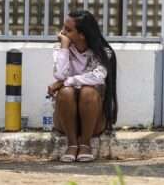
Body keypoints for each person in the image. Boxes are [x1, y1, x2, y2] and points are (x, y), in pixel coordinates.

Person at [47, 10, 118, 162]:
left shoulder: (104, 53)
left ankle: (85, 144)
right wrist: (64, 48)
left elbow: (97, 77)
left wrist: (66, 82)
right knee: (66, 93)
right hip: (64, 122)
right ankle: (72, 145)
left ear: (82, 35)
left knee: (88, 92)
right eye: (63, 28)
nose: (62, 33)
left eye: (68, 30)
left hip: (95, 122)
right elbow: (59, 75)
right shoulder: (61, 49)